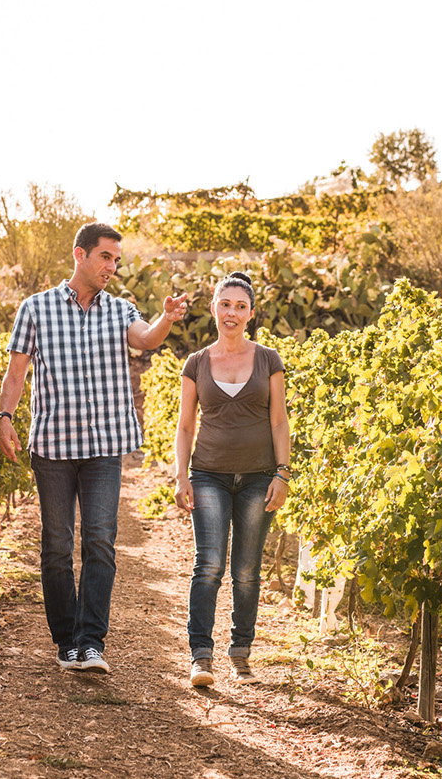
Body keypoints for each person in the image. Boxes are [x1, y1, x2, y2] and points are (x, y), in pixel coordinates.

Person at [0, 222, 187, 674]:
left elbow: (145, 339)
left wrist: (166, 319)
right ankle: (66, 642)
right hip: (53, 446)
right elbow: (16, 372)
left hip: (103, 446)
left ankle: (91, 641)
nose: (112, 267)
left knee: (100, 542)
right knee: (57, 546)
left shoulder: (121, 310)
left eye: (117, 260)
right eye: (106, 257)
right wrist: (5, 416)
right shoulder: (36, 309)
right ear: (80, 255)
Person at [173, 271, 291, 687]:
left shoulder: (268, 359)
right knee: (208, 564)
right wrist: (180, 475)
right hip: (208, 475)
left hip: (260, 477)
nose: (232, 313)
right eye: (226, 304)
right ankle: (200, 657)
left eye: (241, 306)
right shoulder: (197, 363)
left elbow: (279, 421)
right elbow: (185, 426)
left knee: (246, 569)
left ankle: (241, 650)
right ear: (214, 309)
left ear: (251, 313)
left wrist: (283, 473)